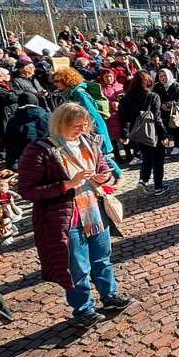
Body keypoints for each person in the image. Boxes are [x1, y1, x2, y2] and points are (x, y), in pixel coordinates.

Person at [18, 103, 132, 327]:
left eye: (84, 125)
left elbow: (103, 169)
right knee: (78, 267)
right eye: (76, 126)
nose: (81, 130)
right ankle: (83, 309)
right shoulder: (40, 150)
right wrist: (68, 184)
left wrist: (104, 178)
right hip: (66, 217)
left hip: (95, 211)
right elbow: (27, 190)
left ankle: (110, 296)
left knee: (102, 257)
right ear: (61, 125)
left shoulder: (89, 143)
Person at [120, 71, 169, 195]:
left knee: (146, 157)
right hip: (153, 133)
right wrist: (163, 135)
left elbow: (123, 118)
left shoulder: (126, 98)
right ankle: (158, 186)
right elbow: (157, 118)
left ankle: (143, 180)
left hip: (137, 133)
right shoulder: (153, 96)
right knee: (157, 160)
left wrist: (125, 134)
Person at [2, 93, 50, 169]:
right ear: (36, 103)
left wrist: (11, 166)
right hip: (48, 159)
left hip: (26, 161)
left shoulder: (13, 121)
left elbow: (9, 144)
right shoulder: (49, 117)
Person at [155, 68, 179, 155]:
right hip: (161, 112)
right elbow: (155, 98)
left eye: (164, 76)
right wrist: (161, 105)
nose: (162, 78)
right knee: (162, 130)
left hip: (173, 112)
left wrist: (168, 105)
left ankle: (176, 146)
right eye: (160, 76)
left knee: (175, 129)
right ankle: (163, 146)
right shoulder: (157, 86)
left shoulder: (176, 86)